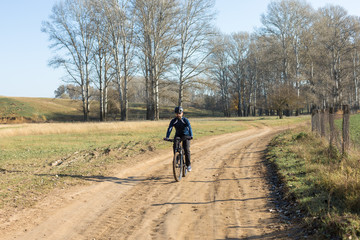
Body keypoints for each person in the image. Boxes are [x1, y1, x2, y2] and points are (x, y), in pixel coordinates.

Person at [164, 106, 193, 172]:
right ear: (175, 114)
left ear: (182, 113)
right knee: (175, 145)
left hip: (186, 135)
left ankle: (188, 165)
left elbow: (189, 127)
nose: (178, 115)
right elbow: (170, 128)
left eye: (179, 113)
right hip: (178, 135)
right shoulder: (173, 120)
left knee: (186, 149)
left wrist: (191, 135)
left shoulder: (185, 120)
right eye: (177, 113)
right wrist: (167, 137)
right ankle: (176, 158)